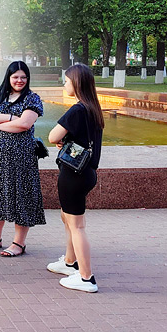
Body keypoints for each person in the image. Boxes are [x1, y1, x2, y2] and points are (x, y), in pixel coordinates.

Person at [0, 60, 45, 257]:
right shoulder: (0, 96)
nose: (20, 80)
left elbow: (25, 124)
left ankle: (19, 243)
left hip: (22, 156)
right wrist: (10, 119)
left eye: (23, 77)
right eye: (15, 77)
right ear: (8, 77)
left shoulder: (32, 98)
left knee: (21, 195)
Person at [47, 63, 104, 293]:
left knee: (77, 225)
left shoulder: (78, 110)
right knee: (67, 217)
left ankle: (86, 277)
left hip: (73, 174)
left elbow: (52, 136)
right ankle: (70, 262)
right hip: (87, 172)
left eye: (67, 81)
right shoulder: (93, 109)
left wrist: (62, 137)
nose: (64, 84)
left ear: (77, 83)